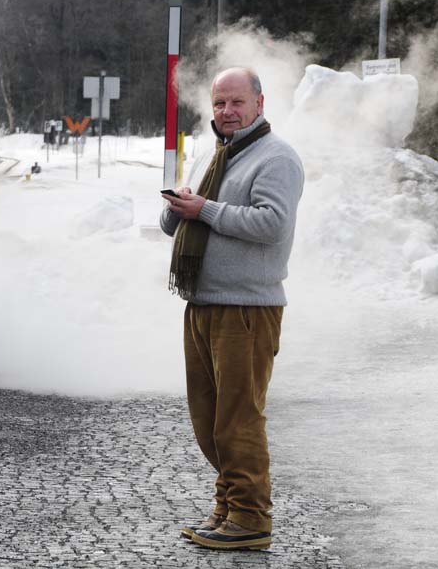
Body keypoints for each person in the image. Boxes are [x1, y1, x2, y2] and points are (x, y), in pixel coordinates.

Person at [159, 67, 304, 551]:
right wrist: (177, 207)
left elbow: (273, 224)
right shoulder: (214, 153)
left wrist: (203, 209)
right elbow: (181, 221)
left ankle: (250, 517)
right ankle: (227, 506)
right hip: (203, 302)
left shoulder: (276, 157)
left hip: (246, 308)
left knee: (238, 418)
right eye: (220, 103)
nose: (227, 111)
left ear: (259, 104)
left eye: (237, 102)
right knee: (210, 418)